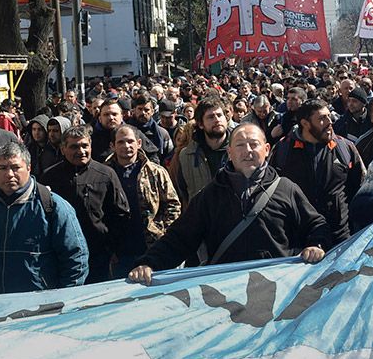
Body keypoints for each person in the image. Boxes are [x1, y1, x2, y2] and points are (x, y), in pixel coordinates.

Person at [126, 123, 329, 283]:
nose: (247, 151)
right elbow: (179, 238)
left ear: (267, 149)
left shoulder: (286, 189)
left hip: (276, 289)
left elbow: (316, 224)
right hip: (226, 295)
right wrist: (149, 264)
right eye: (240, 145)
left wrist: (316, 244)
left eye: (253, 144)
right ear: (230, 153)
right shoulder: (210, 195)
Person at [0, 142, 88, 296]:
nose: (9, 174)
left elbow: (76, 260)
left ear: (28, 167)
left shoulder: (53, 207)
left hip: (38, 309)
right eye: (3, 168)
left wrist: (62, 300)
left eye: (15, 167)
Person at [41, 124, 131, 283]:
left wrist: (115, 249)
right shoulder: (50, 177)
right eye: (74, 147)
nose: (81, 151)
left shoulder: (106, 174)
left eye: (85, 146)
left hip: (99, 253)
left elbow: (121, 213)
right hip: (62, 254)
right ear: (63, 149)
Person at [271, 98, 364, 244]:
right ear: (305, 123)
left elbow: (360, 189)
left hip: (340, 237)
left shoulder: (345, 148)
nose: (329, 122)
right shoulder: (283, 150)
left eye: (329, 116)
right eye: (322, 118)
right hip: (298, 238)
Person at [104, 124, 180, 277]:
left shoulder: (156, 172)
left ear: (139, 143)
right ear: (112, 146)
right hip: (120, 253)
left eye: (130, 141)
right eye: (121, 142)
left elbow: (173, 205)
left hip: (153, 248)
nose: (126, 146)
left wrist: (164, 235)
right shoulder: (103, 175)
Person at [175, 97, 233, 204]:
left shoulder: (239, 150)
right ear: (201, 124)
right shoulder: (186, 155)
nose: (217, 120)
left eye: (220, 115)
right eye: (211, 117)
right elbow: (183, 192)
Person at [128, 94, 174, 163]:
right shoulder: (126, 132)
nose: (143, 113)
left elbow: (169, 157)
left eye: (146, 110)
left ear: (152, 111)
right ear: (134, 110)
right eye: (140, 109)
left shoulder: (162, 133)